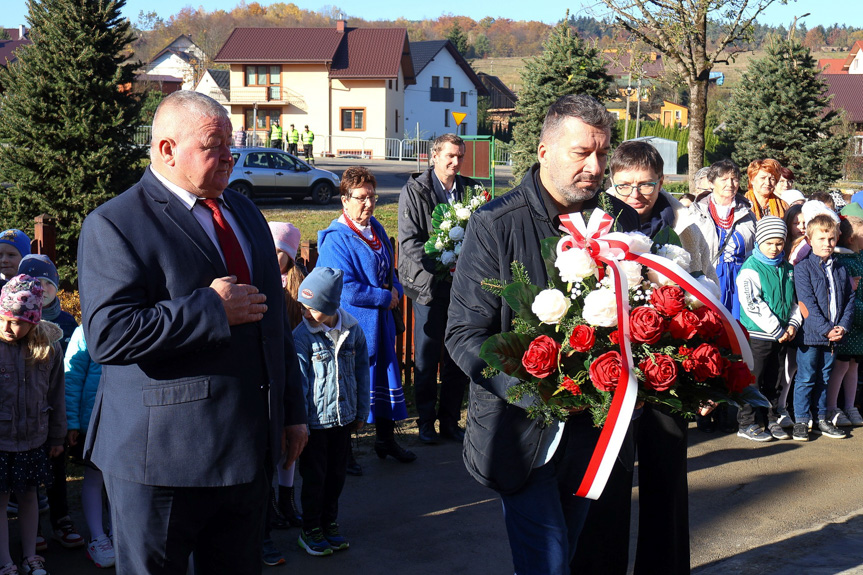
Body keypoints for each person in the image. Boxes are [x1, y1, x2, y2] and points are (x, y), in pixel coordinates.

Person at [77, 90, 308, 574]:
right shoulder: (114, 223)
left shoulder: (243, 211)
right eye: (213, 145)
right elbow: (109, 334)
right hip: (160, 463)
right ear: (167, 149)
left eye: (231, 143)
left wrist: (291, 412)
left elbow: (273, 323)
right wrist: (211, 310)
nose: (230, 156)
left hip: (246, 454)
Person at [445, 94, 639, 575]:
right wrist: (535, 393)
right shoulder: (496, 225)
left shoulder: (619, 221)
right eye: (581, 153)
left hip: (594, 433)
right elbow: (464, 335)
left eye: (602, 152)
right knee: (548, 563)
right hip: (522, 435)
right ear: (544, 151)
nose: (595, 167)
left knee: (569, 552)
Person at [576, 140, 717, 575]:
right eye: (625, 185)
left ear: (662, 181)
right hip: (613, 374)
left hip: (669, 371)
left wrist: (704, 379)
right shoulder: (592, 225)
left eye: (647, 184)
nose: (636, 194)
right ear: (610, 182)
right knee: (608, 485)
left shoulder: (687, 227)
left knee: (667, 480)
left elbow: (707, 296)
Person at [316, 166, 415, 464]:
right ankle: (344, 453)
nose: (369, 204)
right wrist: (385, 297)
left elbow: (389, 269)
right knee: (352, 385)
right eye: (361, 197)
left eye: (372, 196)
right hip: (353, 326)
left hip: (380, 323)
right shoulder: (336, 238)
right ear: (344, 199)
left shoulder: (377, 230)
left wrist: (395, 288)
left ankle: (385, 441)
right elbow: (344, 288)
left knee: (384, 379)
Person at [398, 133, 478, 444]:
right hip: (429, 286)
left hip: (463, 289)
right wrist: (443, 265)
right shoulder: (416, 190)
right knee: (428, 357)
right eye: (449, 156)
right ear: (435, 156)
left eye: (460, 156)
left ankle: (450, 421)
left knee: (458, 355)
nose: (455, 162)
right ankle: (425, 422)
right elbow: (409, 242)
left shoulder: (471, 190)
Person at [294, 267, 369, 556]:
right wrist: (299, 422)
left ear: (329, 306)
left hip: (342, 419)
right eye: (303, 305)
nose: (305, 311)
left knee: (337, 474)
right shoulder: (302, 337)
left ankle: (329, 522)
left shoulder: (352, 331)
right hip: (315, 423)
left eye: (311, 307)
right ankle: (310, 527)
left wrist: (361, 411)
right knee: (315, 476)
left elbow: (363, 372)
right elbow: (299, 383)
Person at [16, 255, 83, 552]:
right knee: (26, 473)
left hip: (56, 406)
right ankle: (35, 529)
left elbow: (68, 372)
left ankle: (61, 519)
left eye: (47, 284)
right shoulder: (17, 323)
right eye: (33, 286)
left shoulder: (67, 322)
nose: (40, 291)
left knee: (57, 468)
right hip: (25, 411)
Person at [0, 275, 66, 575]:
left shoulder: (49, 350)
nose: (7, 329)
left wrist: (57, 436)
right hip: (0, 441)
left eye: (15, 322)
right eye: (3, 319)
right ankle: (5, 560)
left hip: (33, 439)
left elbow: (56, 394)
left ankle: (30, 557)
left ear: (33, 320)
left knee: (30, 497)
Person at [735, 216, 802, 442]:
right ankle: (747, 422)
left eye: (779, 243)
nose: (774, 248)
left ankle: (771, 417)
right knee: (754, 379)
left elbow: (793, 301)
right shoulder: (750, 269)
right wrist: (776, 328)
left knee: (775, 379)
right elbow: (753, 304)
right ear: (759, 241)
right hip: (758, 335)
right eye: (769, 243)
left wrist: (793, 323)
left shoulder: (787, 268)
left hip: (782, 335)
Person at [792, 214, 854, 441]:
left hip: (833, 337)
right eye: (821, 238)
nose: (827, 243)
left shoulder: (841, 269)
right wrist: (825, 328)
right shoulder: (803, 269)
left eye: (831, 238)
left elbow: (848, 301)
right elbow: (806, 304)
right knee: (806, 377)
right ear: (809, 240)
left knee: (825, 378)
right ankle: (800, 419)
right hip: (811, 337)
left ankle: (821, 419)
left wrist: (842, 328)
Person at [63, 325, 114, 568]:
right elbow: (71, 378)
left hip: (125, 420)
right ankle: (97, 537)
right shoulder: (85, 331)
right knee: (94, 478)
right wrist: (71, 422)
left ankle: (118, 533)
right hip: (93, 421)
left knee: (120, 482)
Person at [267, 221, 305, 532]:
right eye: (273, 248)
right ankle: (269, 505)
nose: (276, 255)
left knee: (290, 441)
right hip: (268, 373)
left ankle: (287, 498)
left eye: (282, 251)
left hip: (290, 371)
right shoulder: (260, 280)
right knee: (271, 442)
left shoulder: (295, 285)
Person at [691, 159, 756, 319]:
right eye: (724, 179)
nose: (731, 184)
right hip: (710, 277)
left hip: (741, 280)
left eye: (734, 179)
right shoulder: (696, 212)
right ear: (711, 183)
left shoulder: (748, 213)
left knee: (738, 327)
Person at [826, 216, 863, 427]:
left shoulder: (859, 260)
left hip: (859, 329)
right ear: (851, 239)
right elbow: (850, 297)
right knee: (840, 367)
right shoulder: (846, 264)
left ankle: (850, 406)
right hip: (850, 324)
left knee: (853, 367)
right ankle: (832, 407)